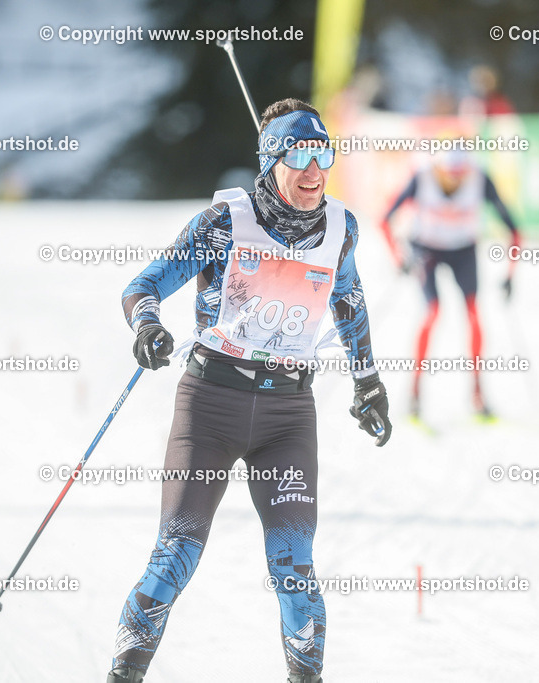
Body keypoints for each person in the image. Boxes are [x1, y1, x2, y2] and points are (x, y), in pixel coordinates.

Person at [108, 98, 392, 683]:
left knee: (294, 568)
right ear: (271, 161)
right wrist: (148, 327)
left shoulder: (340, 229)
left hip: (287, 417)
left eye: (324, 155)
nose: (315, 171)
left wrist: (368, 383)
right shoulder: (223, 224)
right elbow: (143, 287)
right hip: (211, 404)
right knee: (174, 560)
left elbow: (350, 303)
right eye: (300, 156)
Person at [380, 150, 518, 420]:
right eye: (448, 176)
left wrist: (510, 274)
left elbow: (514, 229)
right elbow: (385, 219)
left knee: (474, 314)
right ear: (439, 169)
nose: (454, 182)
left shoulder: (480, 178)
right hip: (426, 250)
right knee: (433, 311)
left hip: (463, 249)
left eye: (460, 176)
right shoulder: (422, 177)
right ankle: (415, 394)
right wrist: (399, 258)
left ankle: (478, 394)